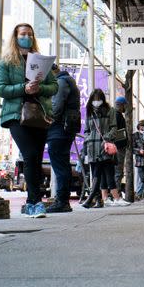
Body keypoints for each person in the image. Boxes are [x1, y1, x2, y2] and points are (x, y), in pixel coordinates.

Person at [0, 23, 58, 219]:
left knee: (36, 158)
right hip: (16, 115)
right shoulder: (6, 62)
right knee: (30, 154)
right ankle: (35, 201)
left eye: (30, 34)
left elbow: (54, 87)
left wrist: (39, 88)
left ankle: (32, 202)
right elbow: (1, 89)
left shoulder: (40, 61)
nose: (27, 37)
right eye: (23, 34)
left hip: (39, 115)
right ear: (15, 37)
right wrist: (24, 88)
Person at [81, 89, 131, 208]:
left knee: (108, 172)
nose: (96, 102)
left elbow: (114, 128)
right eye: (94, 100)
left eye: (98, 100)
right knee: (98, 173)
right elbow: (86, 130)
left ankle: (101, 198)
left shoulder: (110, 111)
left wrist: (106, 138)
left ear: (103, 100)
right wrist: (88, 140)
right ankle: (105, 199)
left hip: (105, 146)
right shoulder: (89, 112)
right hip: (92, 147)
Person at [47, 63, 81, 213]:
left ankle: (62, 201)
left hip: (58, 129)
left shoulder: (61, 82)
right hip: (66, 128)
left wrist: (46, 120)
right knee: (63, 164)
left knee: (59, 165)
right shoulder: (68, 81)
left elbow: (56, 106)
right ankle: (63, 200)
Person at [113, 96, 130, 193]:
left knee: (116, 172)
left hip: (116, 147)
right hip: (118, 147)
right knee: (118, 172)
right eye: (124, 106)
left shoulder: (114, 114)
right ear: (121, 105)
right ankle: (116, 194)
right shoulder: (117, 115)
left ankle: (114, 194)